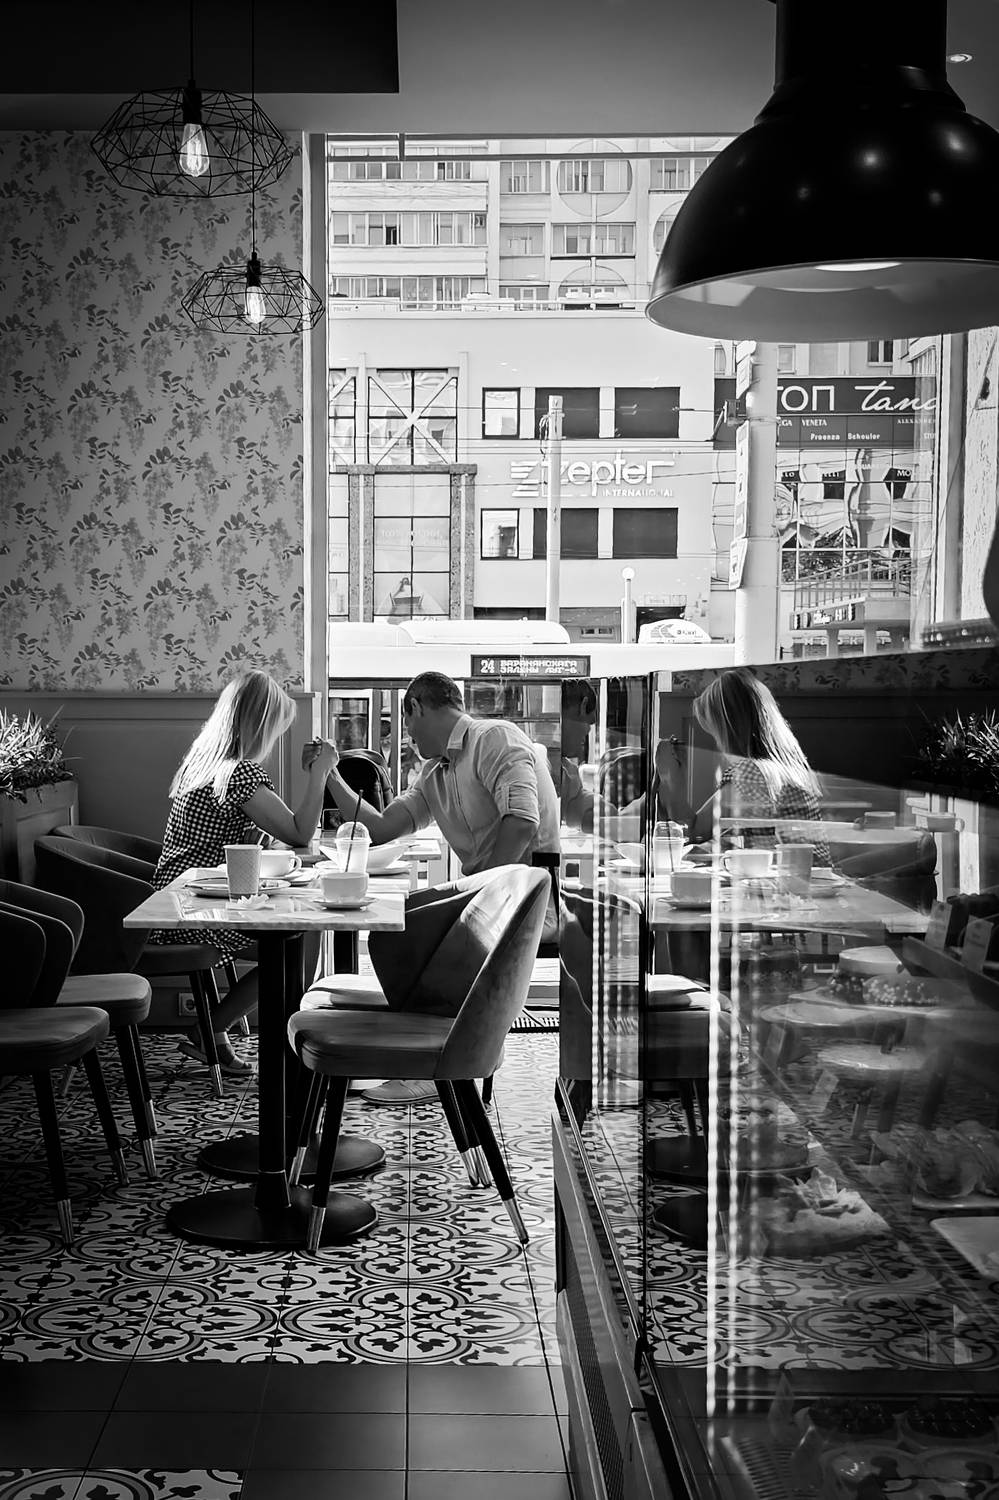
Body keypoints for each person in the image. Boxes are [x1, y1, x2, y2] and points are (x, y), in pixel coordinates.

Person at [318, 669, 561, 1104]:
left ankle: (433, 1063)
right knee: (397, 931)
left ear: (417, 707)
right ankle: (419, 1054)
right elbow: (380, 827)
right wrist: (329, 774)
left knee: (407, 934)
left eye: (406, 722)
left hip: (525, 903)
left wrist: (481, 896)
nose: (408, 735)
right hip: (487, 899)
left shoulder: (494, 738)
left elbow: (523, 822)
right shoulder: (435, 772)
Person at [151, 669, 337, 1076]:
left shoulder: (202, 763)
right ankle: (259, 1046)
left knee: (296, 940)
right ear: (261, 724)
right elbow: (299, 833)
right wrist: (320, 773)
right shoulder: (240, 772)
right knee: (295, 945)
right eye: (277, 728)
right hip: (199, 908)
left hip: (176, 898)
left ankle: (214, 1032)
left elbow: (229, 835)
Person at [689, 666, 830, 864]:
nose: (717, 743)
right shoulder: (789, 766)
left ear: (728, 730)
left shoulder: (749, 771)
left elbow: (695, 830)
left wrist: (668, 772)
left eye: (715, 732)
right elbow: (757, 832)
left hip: (790, 875)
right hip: (815, 872)